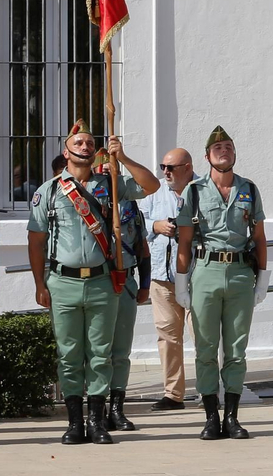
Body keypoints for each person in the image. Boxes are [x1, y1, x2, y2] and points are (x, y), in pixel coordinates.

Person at [29, 120, 158, 445]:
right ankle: (75, 423)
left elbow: (151, 185)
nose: (85, 146)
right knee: (69, 354)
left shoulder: (111, 183)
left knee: (101, 354)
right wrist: (40, 284)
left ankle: (97, 421)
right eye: (79, 142)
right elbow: (36, 240)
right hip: (63, 282)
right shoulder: (50, 190)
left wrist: (123, 157)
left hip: (102, 281)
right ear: (66, 151)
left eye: (89, 142)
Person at [175, 126, 270, 440]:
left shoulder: (249, 189)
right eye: (217, 148)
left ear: (235, 153)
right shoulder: (194, 191)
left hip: (240, 272)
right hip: (206, 270)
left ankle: (232, 417)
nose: (224, 151)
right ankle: (210, 417)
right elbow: (184, 242)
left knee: (236, 350)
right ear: (207, 157)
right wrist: (181, 283)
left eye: (228, 146)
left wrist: (262, 280)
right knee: (205, 348)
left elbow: (259, 237)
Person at [141, 147, 193, 410]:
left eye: (170, 168)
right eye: (163, 167)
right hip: (162, 276)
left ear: (187, 168)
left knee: (204, 336)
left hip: (195, 277)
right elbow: (136, 220)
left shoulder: (202, 189)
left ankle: (211, 391)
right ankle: (173, 394)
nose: (165, 172)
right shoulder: (155, 190)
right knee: (168, 336)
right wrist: (155, 225)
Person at [102, 175, 151, 431]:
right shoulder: (87, 203)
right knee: (98, 352)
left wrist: (144, 284)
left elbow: (142, 248)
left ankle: (117, 409)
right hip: (99, 282)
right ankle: (97, 409)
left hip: (125, 283)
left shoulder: (131, 207)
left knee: (121, 352)